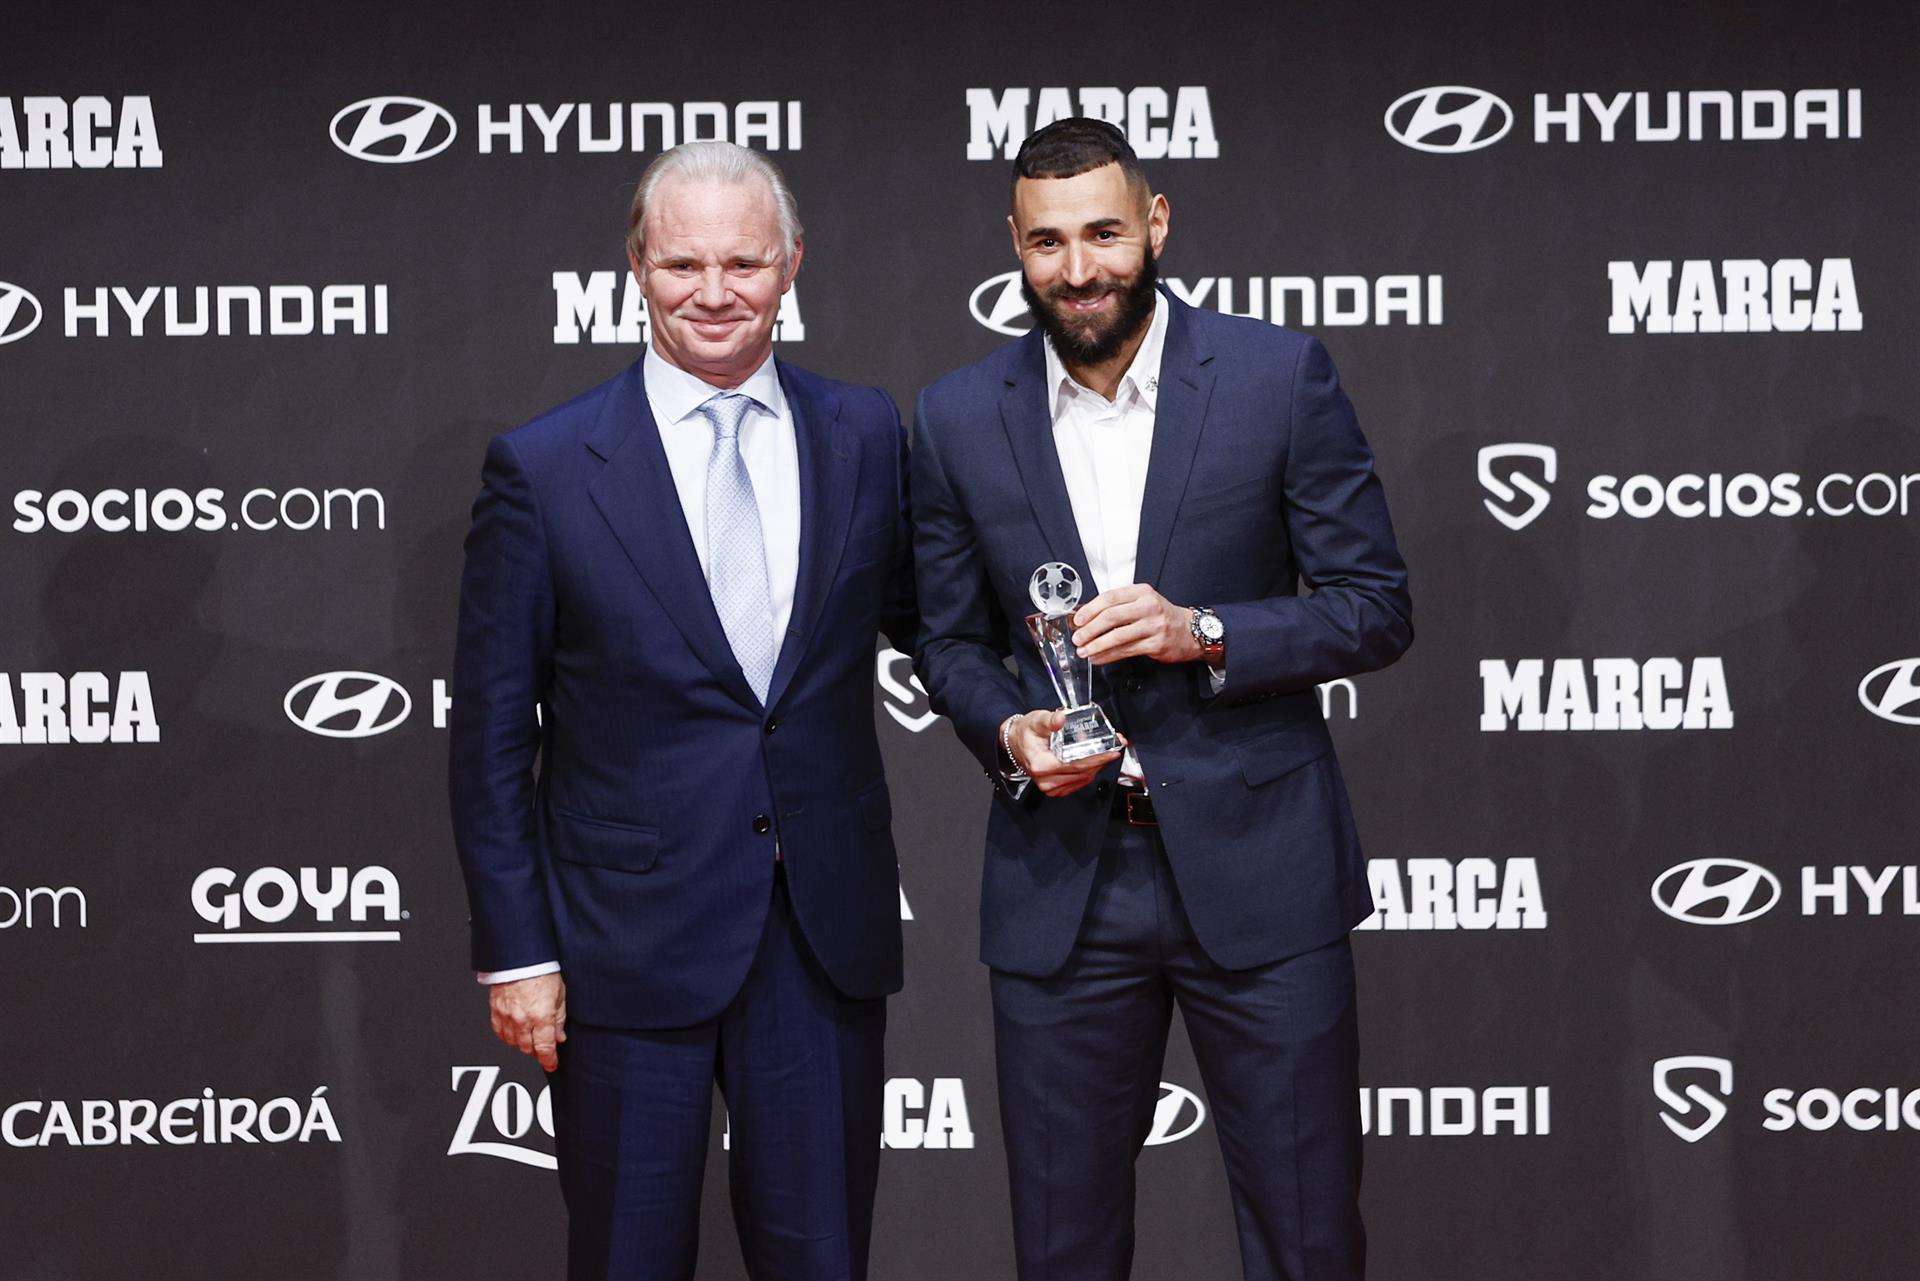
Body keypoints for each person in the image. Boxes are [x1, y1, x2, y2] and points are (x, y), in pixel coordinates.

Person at [910, 117, 1412, 1281]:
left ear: (1158, 224)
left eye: (1104, 234)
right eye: (1047, 243)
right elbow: (945, 638)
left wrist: (1209, 631)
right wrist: (1005, 726)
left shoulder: (1278, 376)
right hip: (1063, 890)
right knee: (1063, 1251)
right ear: (1014, 246)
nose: (1079, 270)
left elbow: (1374, 605)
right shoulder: (952, 417)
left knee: (1306, 1238)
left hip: (1262, 874)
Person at [449, 139, 915, 1281]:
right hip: (620, 951)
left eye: (744, 263)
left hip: (820, 941)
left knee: (822, 1261)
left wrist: (1026, 712)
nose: (714, 292)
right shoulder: (545, 468)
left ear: (792, 264)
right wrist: (516, 951)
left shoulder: (864, 434)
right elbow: (493, 739)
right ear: (636, 267)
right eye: (682, 264)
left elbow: (936, 630)